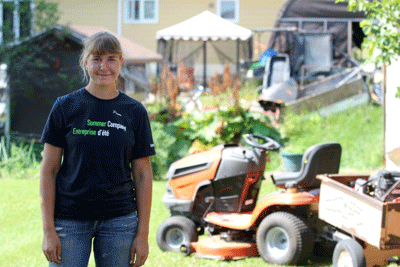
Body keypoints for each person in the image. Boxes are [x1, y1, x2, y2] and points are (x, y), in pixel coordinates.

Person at [40, 31, 155, 267]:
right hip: (70, 220)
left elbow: (143, 175)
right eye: (97, 58)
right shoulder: (65, 107)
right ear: (85, 62)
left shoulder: (135, 112)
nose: (104, 66)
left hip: (119, 221)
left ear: (121, 62)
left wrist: (142, 235)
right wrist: (49, 231)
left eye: (112, 58)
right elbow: (48, 171)